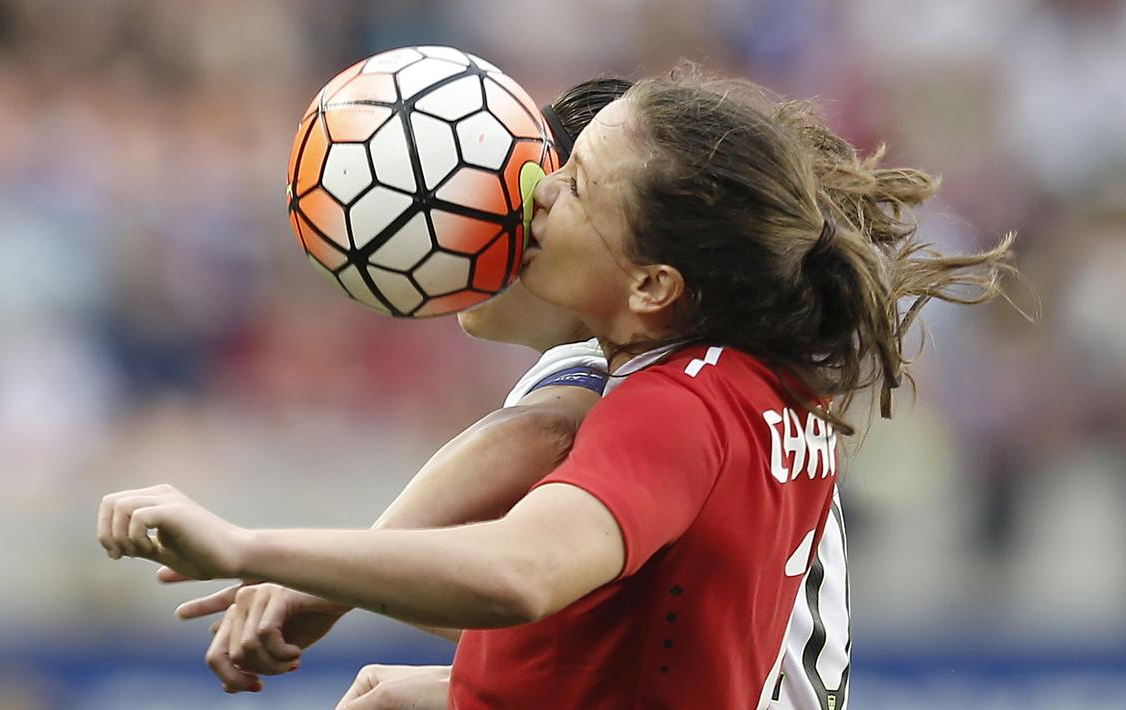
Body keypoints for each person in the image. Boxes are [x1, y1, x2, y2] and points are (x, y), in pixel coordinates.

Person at [98, 66, 1012, 709]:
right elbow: (647, 643)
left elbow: (523, 561)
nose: (531, 196)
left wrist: (254, 549)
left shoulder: (671, 398)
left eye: (573, 187)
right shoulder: (756, 381)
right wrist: (465, 690)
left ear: (652, 283)